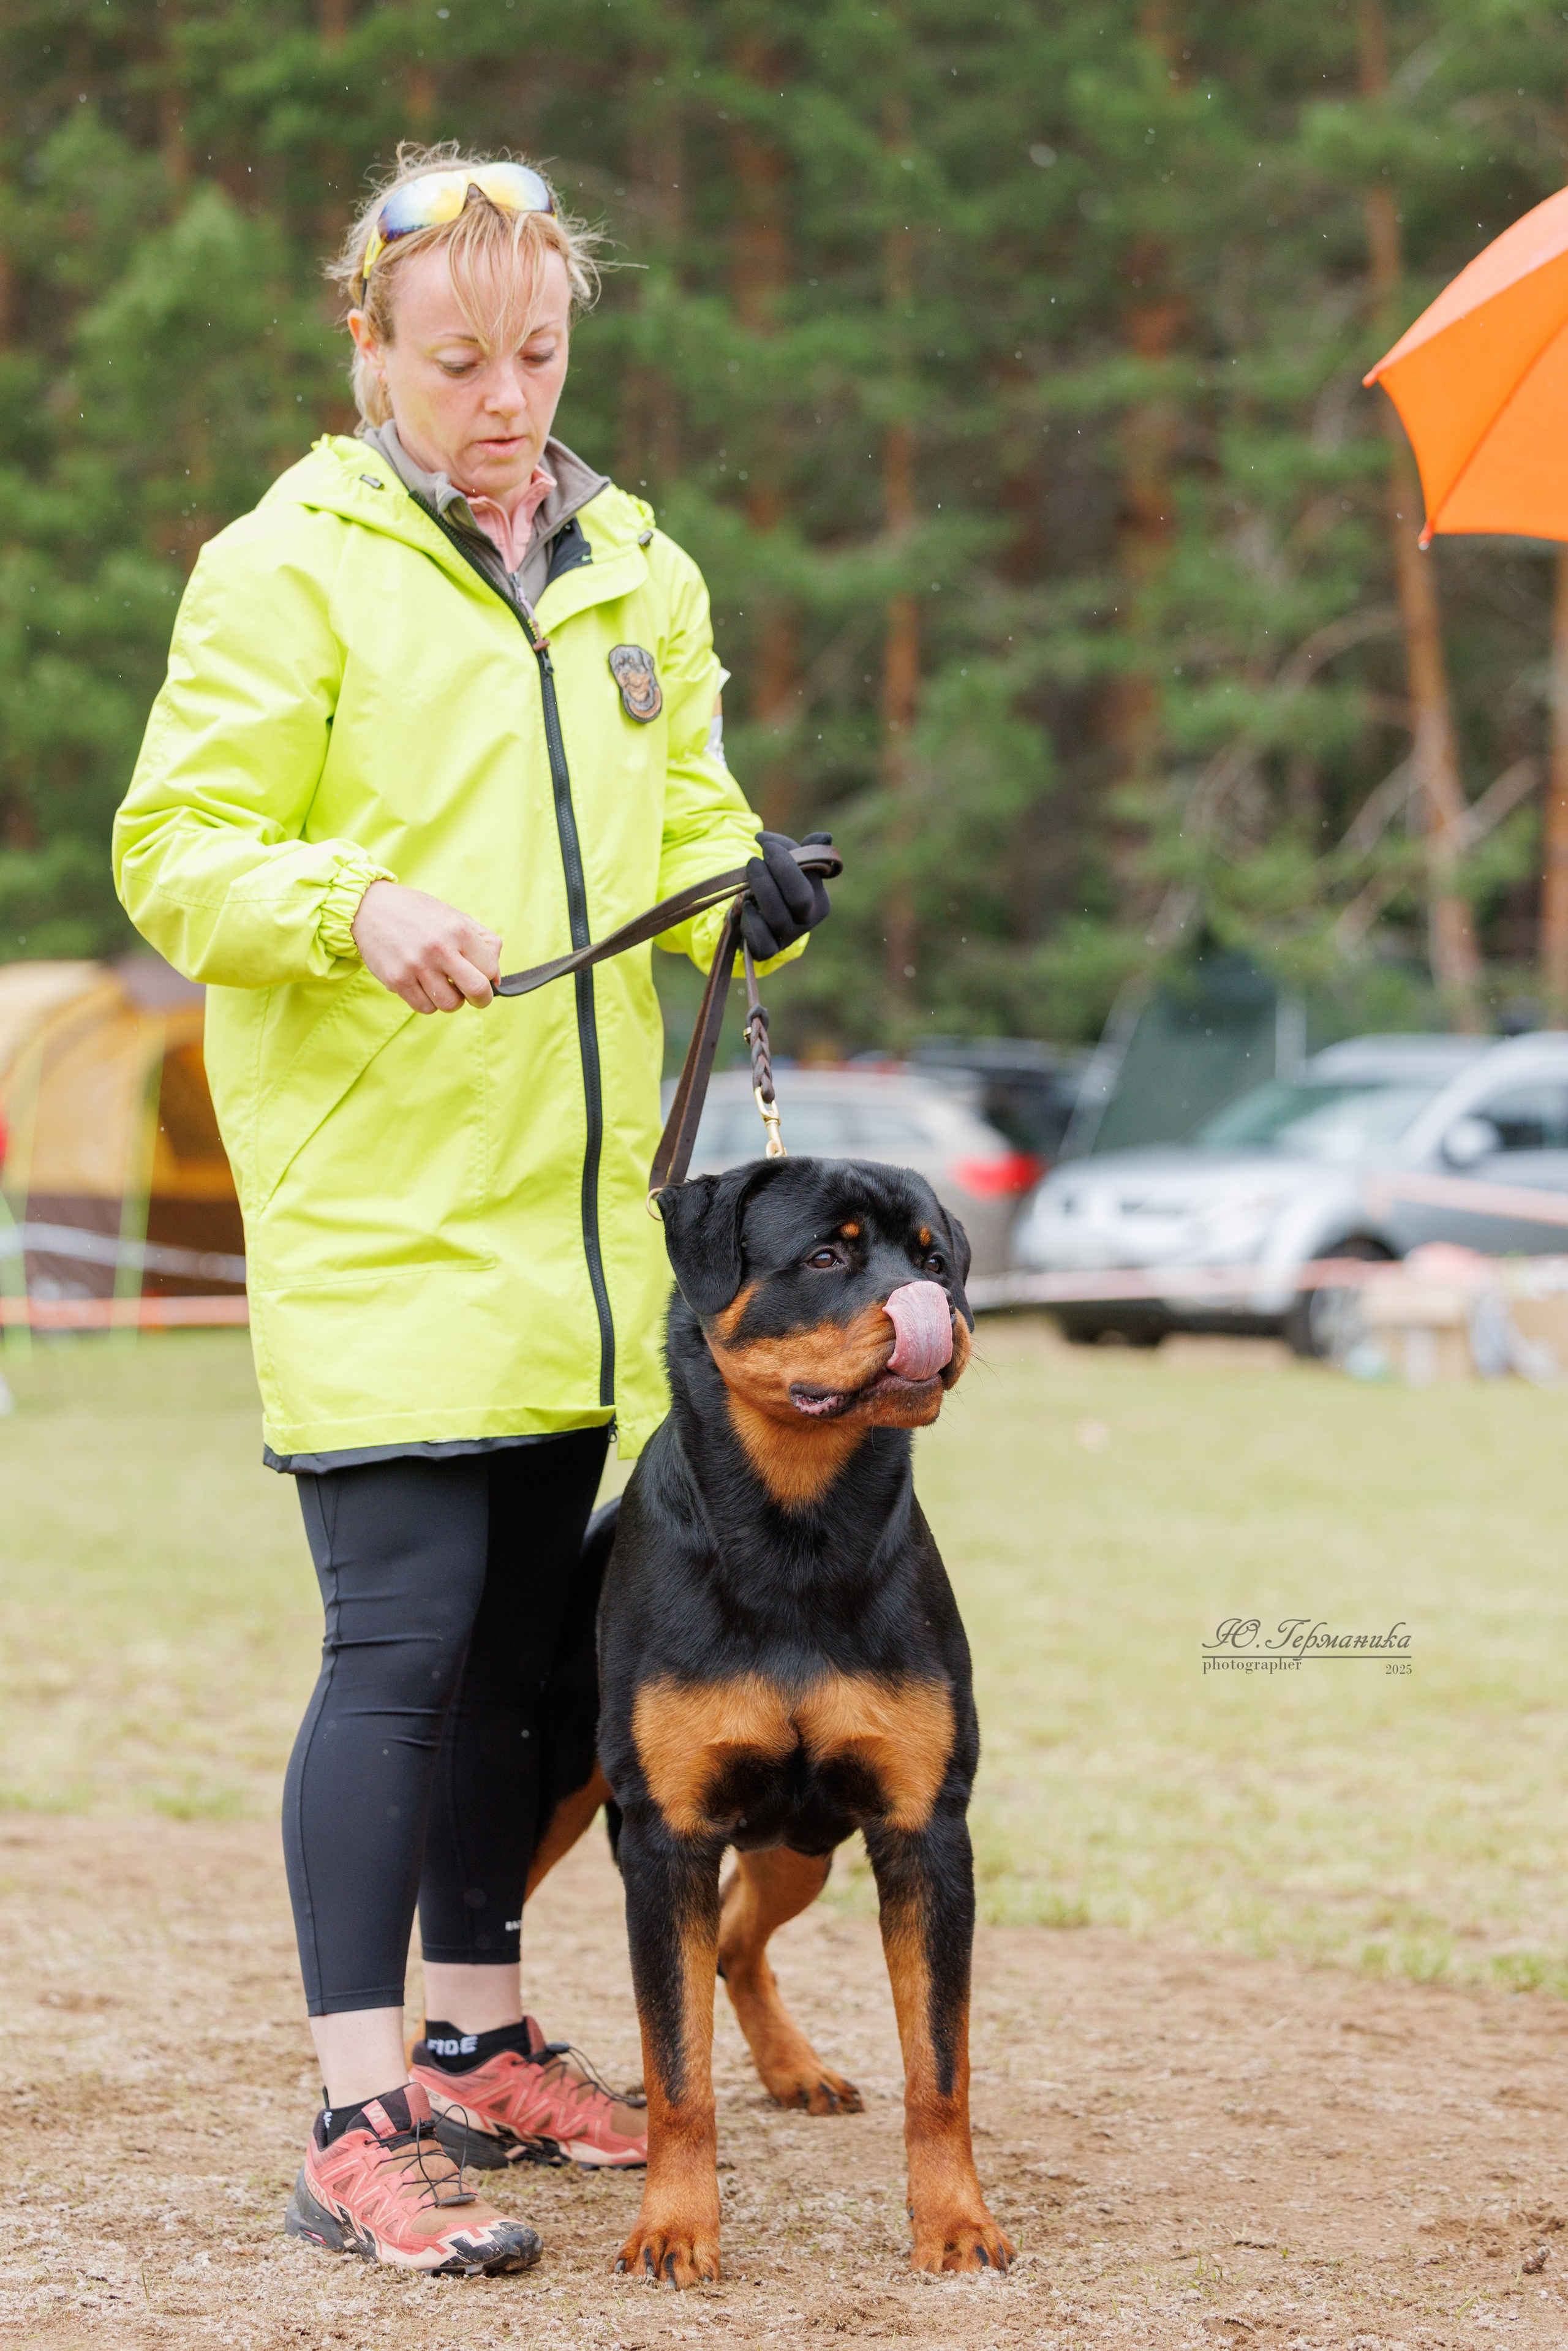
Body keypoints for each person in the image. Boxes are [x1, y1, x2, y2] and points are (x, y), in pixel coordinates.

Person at [112, 144, 830, 2276]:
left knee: (531, 1661)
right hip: (382, 1204)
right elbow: (176, 855)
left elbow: (687, 822)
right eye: (457, 361)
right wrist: (354, 901)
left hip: (583, 1221)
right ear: (371, 350)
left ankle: (477, 2037)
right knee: (405, 1650)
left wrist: (752, 892)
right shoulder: (283, 570)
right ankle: (355, 2112)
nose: (506, 397)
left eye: (537, 354)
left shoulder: (642, 569)